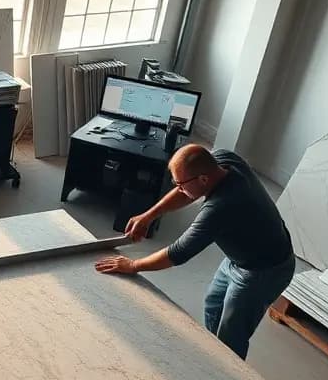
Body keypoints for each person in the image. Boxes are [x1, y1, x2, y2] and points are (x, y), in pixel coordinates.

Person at [94, 144, 294, 359]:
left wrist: (132, 266)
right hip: (242, 256)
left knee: (231, 334)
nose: (178, 188)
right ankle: (214, 355)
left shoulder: (221, 208)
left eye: (179, 184)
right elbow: (187, 192)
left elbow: (178, 253)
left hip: (264, 271)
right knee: (213, 304)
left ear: (203, 180)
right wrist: (149, 215)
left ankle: (227, 376)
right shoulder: (222, 160)